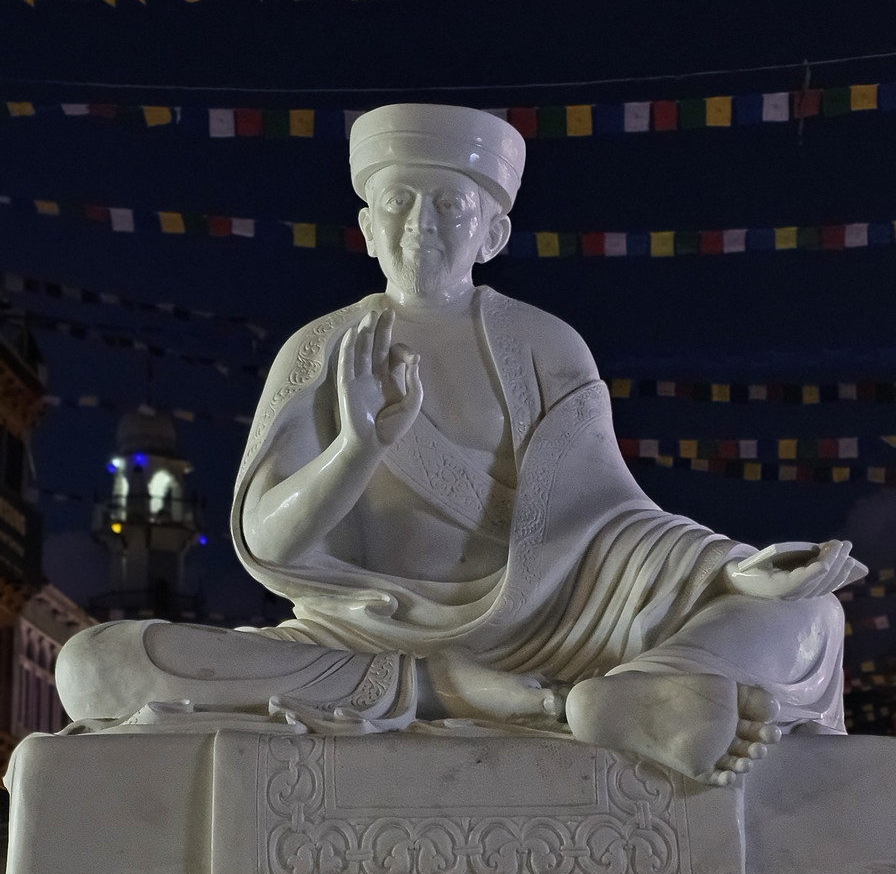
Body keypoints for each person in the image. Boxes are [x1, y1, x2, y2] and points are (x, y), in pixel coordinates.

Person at [55, 102, 864, 785]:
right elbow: (267, 541)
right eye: (401, 203)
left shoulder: (546, 348)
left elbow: (611, 521)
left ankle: (642, 691)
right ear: (368, 228)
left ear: (494, 232)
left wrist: (731, 570)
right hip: (366, 638)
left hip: (560, 626)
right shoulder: (320, 351)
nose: (422, 227)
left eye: (450, 206)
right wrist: (356, 451)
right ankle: (466, 690)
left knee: (812, 616)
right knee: (93, 666)